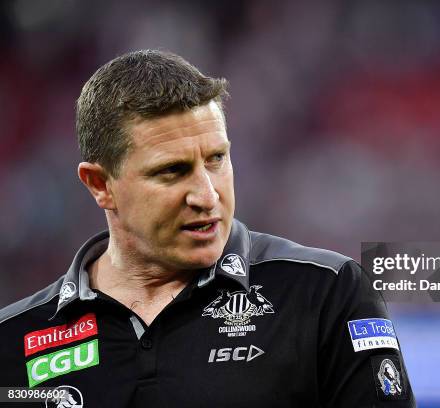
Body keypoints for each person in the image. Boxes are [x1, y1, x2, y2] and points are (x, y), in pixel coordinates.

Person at [0, 50, 416, 407]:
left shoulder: (325, 293)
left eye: (216, 159)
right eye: (172, 171)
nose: (206, 194)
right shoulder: (13, 340)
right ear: (100, 184)